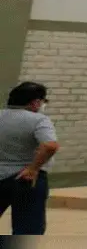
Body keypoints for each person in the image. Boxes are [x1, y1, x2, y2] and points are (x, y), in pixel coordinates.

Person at [0, 82, 60, 235]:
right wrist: (33, 168)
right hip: (26, 180)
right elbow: (50, 146)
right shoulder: (39, 120)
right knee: (28, 229)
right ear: (35, 102)